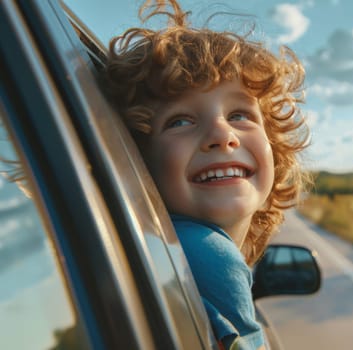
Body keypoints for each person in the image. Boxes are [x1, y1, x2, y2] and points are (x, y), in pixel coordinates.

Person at [104, 1, 310, 348]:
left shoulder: (161, 249)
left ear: (273, 148)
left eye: (240, 115)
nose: (221, 135)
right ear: (138, 161)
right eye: (180, 121)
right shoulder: (202, 251)